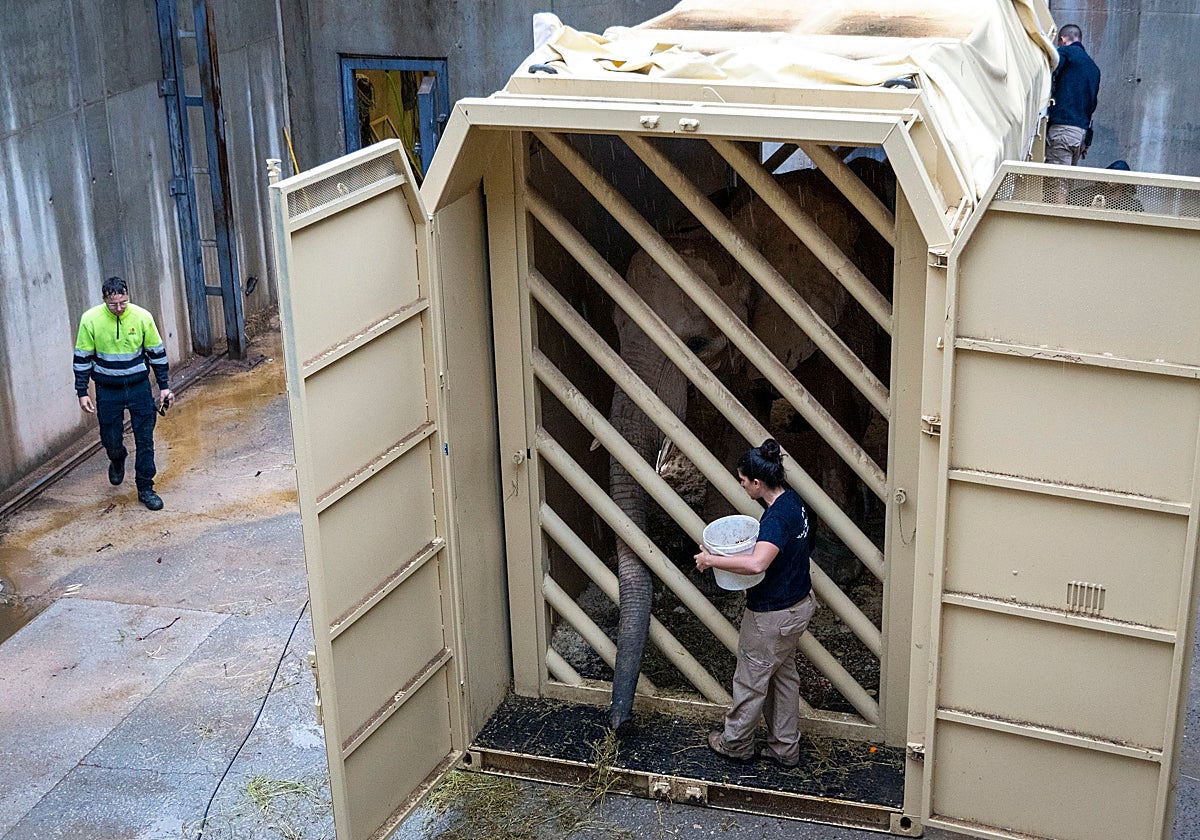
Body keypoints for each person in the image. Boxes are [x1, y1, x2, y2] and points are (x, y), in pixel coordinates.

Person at [695, 438, 816, 769]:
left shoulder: (775, 519)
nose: (741, 485)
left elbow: (756, 565)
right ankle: (784, 748)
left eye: (743, 480)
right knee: (783, 677)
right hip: (799, 603)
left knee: (750, 678)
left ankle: (735, 743)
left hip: (772, 616)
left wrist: (712, 559)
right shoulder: (794, 502)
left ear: (757, 482)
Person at [74, 276, 173, 510]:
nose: (119, 308)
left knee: (145, 440)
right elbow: (82, 358)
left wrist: (164, 386)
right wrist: (82, 391)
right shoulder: (90, 320)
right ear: (104, 300)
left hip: (138, 387)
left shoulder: (142, 317)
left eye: (123, 303)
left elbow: (157, 354)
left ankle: (146, 488)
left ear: (128, 297)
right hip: (108, 390)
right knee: (110, 437)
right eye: (113, 304)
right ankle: (117, 458)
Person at [1046, 23, 1100, 179]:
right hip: (1080, 135)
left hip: (1062, 131)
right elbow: (1092, 106)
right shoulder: (1093, 68)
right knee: (1065, 183)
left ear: (1062, 39)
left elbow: (1049, 69)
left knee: (1055, 186)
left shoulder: (1066, 53)